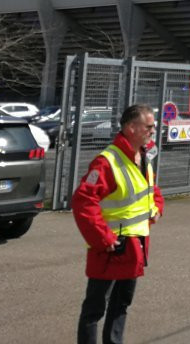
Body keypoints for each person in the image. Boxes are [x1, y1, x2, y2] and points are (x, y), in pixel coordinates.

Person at [73, 104, 164, 344]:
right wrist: (103, 238)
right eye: (149, 126)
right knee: (95, 308)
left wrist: (156, 209)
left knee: (121, 305)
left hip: (134, 247)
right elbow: (83, 202)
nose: (153, 131)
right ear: (131, 128)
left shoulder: (144, 157)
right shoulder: (108, 162)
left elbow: (151, 191)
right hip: (111, 249)